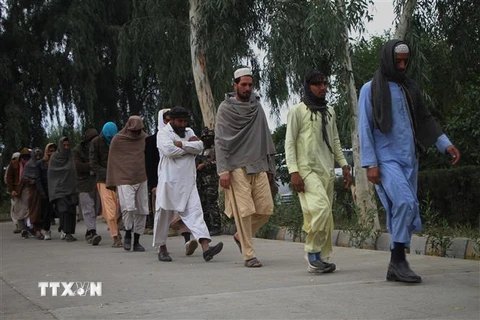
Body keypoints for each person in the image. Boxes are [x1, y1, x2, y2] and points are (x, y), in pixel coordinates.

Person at [358, 39, 461, 283]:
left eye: (406, 61)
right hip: (385, 160)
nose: (402, 66)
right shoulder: (370, 89)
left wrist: (445, 144)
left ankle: (395, 266)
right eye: (398, 61)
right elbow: (364, 126)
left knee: (404, 207)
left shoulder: (410, 88)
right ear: (387, 60)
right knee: (404, 203)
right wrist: (370, 164)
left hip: (409, 158)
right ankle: (398, 260)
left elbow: (425, 119)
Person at [285, 69, 353, 274]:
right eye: (317, 84)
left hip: (326, 170)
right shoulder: (297, 110)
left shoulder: (329, 111)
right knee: (320, 208)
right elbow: (289, 143)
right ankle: (312, 252)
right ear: (308, 86)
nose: (322, 88)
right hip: (306, 170)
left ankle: (320, 259)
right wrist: (293, 171)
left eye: (324, 83)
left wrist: (344, 165)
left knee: (324, 215)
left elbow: (335, 141)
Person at [215, 67, 276, 268]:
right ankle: (249, 255)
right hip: (235, 166)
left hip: (258, 164)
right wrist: (223, 170)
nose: (247, 88)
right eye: (243, 84)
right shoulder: (225, 108)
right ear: (235, 85)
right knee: (245, 211)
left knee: (266, 209)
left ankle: (240, 236)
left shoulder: (257, 107)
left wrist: (269, 167)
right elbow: (221, 141)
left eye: (250, 85)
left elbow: (265, 136)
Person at [153, 106, 223, 262]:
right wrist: (188, 148)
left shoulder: (189, 132)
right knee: (163, 216)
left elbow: (199, 147)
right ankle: (162, 248)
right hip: (168, 181)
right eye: (179, 121)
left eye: (185, 121)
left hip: (188, 181)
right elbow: (170, 151)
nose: (183, 124)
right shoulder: (163, 134)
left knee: (195, 213)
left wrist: (182, 145)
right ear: (171, 120)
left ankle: (206, 248)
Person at [106, 116, 149, 252]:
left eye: (139, 130)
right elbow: (113, 160)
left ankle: (137, 240)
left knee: (142, 210)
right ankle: (128, 233)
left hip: (142, 177)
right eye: (134, 131)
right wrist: (114, 179)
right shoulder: (118, 139)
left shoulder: (145, 139)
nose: (136, 133)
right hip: (124, 178)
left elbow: (150, 157)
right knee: (128, 208)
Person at [90, 122, 123, 247]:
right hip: (103, 181)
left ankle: (116, 228)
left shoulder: (118, 141)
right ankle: (115, 237)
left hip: (119, 179)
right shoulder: (96, 143)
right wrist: (107, 173)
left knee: (121, 207)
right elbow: (93, 163)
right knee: (110, 210)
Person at [73, 128, 102, 245]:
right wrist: (93, 165)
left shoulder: (98, 149)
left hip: (96, 182)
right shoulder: (77, 151)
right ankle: (93, 232)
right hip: (84, 183)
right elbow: (78, 167)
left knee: (95, 209)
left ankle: (89, 231)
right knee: (87, 208)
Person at [48, 137, 78, 242]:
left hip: (71, 189)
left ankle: (68, 231)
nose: (66, 147)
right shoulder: (55, 158)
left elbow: (74, 171)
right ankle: (66, 232)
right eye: (64, 145)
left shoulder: (71, 156)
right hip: (59, 190)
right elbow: (51, 174)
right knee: (63, 210)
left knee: (71, 211)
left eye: (68, 145)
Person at [196, 127, 221, 236]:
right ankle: (207, 226)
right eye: (204, 137)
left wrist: (205, 165)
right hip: (200, 181)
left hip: (211, 181)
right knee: (203, 204)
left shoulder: (216, 149)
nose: (206, 139)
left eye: (209, 137)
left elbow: (219, 162)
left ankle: (216, 226)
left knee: (212, 203)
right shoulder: (200, 150)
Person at [6, 148, 31, 238]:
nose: (25, 159)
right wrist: (11, 190)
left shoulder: (30, 164)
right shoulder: (13, 164)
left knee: (28, 208)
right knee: (19, 210)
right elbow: (9, 178)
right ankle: (23, 229)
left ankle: (28, 227)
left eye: (27, 157)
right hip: (17, 190)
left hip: (28, 189)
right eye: (24, 157)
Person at [36, 143, 57, 240]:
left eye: (54, 150)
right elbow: (38, 179)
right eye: (50, 150)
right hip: (45, 191)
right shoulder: (40, 164)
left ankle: (64, 230)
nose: (51, 153)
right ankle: (47, 230)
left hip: (57, 190)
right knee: (46, 212)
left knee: (61, 210)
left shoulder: (58, 162)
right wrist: (41, 192)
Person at [22, 149, 44, 239]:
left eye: (39, 155)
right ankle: (36, 229)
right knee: (34, 209)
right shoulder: (28, 165)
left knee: (42, 210)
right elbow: (24, 178)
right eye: (36, 156)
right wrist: (31, 181)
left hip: (42, 189)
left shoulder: (42, 164)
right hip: (33, 190)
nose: (38, 157)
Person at [5, 151, 21, 233]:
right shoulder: (10, 166)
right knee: (14, 208)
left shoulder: (22, 165)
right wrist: (11, 189)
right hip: (14, 191)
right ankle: (16, 225)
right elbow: (7, 179)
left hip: (21, 190)